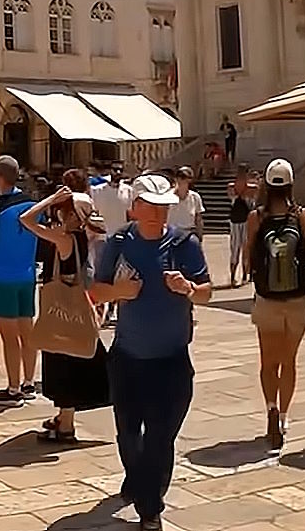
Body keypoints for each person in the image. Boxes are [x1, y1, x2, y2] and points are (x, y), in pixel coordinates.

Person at [90, 173, 214, 531]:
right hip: (128, 357)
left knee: (161, 436)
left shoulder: (183, 245)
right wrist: (120, 292)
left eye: (164, 207)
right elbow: (96, 291)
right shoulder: (118, 243)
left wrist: (189, 287)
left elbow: (206, 292)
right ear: (136, 207)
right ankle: (141, 482)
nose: (159, 214)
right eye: (152, 206)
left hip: (172, 358)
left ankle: (150, 508)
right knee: (129, 434)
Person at [242, 158, 305, 449]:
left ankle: (271, 407)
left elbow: (249, 257)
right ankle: (284, 416)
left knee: (267, 360)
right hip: (297, 298)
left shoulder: (256, 218)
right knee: (289, 360)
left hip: (267, 298)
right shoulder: (304, 217)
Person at [27, 176, 109, 442]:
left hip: (60, 314)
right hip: (76, 312)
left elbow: (26, 221)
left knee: (63, 367)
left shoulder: (63, 239)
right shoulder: (83, 239)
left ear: (73, 215)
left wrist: (49, 199)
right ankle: (63, 419)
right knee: (72, 365)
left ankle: (66, 426)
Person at [0, 156, 40, 406]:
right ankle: (28, 383)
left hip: (1, 276)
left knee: (9, 336)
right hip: (27, 275)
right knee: (27, 332)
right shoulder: (33, 205)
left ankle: (13, 388)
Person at [227, 169, 256, 287]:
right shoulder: (234, 191)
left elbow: (255, 189)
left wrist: (245, 188)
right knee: (235, 249)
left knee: (246, 248)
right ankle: (233, 276)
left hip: (245, 221)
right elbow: (230, 188)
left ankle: (245, 274)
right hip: (235, 222)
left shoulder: (250, 192)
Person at [168, 167, 205, 240]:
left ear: (190, 180)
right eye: (180, 176)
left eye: (185, 177)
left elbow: (198, 218)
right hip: (171, 233)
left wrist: (200, 235)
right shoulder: (168, 196)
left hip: (188, 233)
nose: (182, 180)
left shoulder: (195, 197)